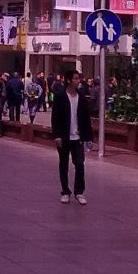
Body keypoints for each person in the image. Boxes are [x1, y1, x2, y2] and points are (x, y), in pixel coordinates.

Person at [51, 71, 93, 205]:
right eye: (75, 79)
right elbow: (55, 118)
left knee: (80, 164)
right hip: (63, 137)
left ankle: (79, 192)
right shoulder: (60, 96)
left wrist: (88, 137)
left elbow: (86, 119)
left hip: (77, 137)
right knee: (63, 164)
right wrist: (56, 136)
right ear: (68, 80)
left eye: (78, 78)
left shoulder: (81, 97)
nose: (78, 81)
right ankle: (65, 191)